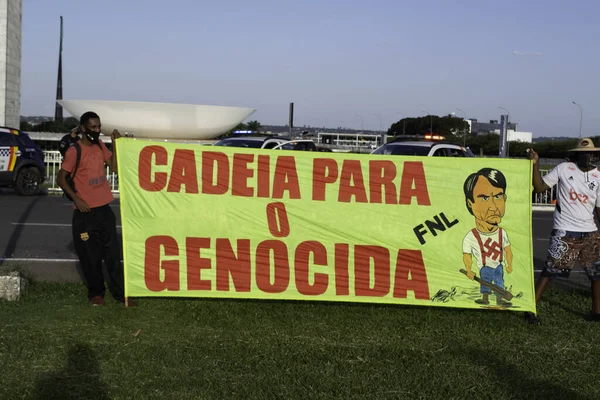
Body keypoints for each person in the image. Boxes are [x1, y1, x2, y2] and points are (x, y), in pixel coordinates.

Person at [57, 111, 135, 307]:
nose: (97, 130)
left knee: (113, 257)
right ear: (83, 128)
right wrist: (77, 199)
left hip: (104, 210)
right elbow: (61, 178)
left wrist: (115, 145)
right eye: (93, 127)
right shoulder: (75, 151)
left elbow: (115, 168)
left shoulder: (100, 146)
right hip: (85, 214)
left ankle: (120, 295)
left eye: (99, 126)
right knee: (91, 258)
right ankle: (96, 294)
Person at [526, 137, 600, 323]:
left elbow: (598, 208)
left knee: (596, 272)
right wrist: (536, 164)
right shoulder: (564, 169)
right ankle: (531, 310)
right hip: (565, 230)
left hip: (590, 231)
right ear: (576, 155)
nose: (588, 157)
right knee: (550, 271)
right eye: (583, 154)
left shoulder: (598, 176)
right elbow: (540, 187)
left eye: (591, 153)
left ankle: (596, 312)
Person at [462, 168, 513, 307]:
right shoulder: (471, 237)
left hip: (499, 266)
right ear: (470, 204)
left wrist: (510, 265)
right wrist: (468, 270)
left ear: (505, 198)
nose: (493, 207)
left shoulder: (503, 233)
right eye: (484, 198)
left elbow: (508, 250)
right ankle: (485, 298)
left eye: (498, 196)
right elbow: (467, 255)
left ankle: (500, 299)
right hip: (485, 267)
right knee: (485, 283)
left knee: (499, 282)